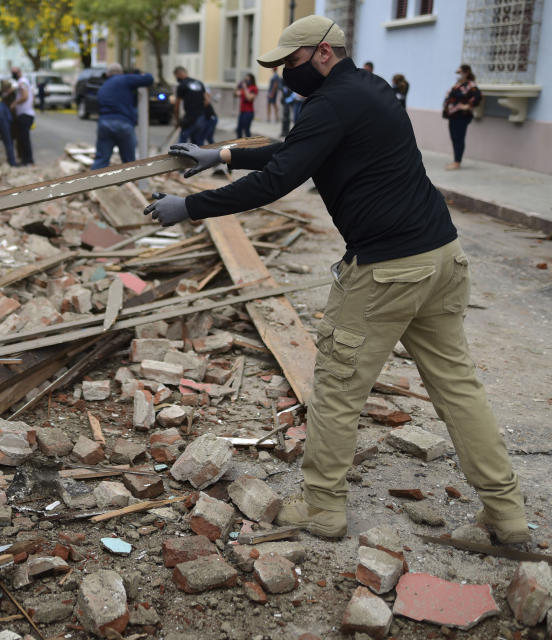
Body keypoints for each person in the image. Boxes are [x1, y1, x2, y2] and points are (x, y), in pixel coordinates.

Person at [144, 15, 530, 545]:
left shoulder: (329, 103)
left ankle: (322, 509)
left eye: (292, 63)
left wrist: (188, 207)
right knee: (458, 390)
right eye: (279, 66)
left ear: (324, 52)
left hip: (387, 272)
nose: (285, 74)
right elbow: (298, 148)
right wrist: (224, 155)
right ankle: (507, 518)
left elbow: (280, 179)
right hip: (441, 258)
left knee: (335, 392)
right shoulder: (368, 88)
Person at [90, 64, 154, 170]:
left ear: (108, 74)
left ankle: (90, 184)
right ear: (121, 72)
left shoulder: (104, 86)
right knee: (129, 162)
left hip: (104, 124)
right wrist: (141, 74)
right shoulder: (125, 79)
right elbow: (149, 79)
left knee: (101, 159)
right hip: (123, 123)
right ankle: (131, 182)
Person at [443, 64, 481, 170]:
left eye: (460, 72)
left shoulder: (470, 85)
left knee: (459, 138)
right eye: (457, 72)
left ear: (466, 73)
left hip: (462, 116)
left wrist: (467, 106)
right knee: (454, 138)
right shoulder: (458, 84)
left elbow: (477, 96)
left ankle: (457, 162)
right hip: (453, 115)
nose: (458, 74)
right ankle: (456, 160)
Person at [173, 66, 208, 145]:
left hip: (189, 118)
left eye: (176, 76)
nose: (176, 78)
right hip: (201, 117)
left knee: (182, 144)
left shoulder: (182, 85)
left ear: (178, 74)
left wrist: (177, 120)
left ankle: (180, 157)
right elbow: (206, 101)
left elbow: (177, 105)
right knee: (198, 144)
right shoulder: (199, 83)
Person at [10, 66, 35, 165]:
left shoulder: (22, 82)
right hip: (26, 114)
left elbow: (25, 96)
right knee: (23, 139)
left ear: (18, 72)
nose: (12, 74)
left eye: (13, 72)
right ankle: (27, 160)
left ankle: (27, 161)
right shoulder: (23, 82)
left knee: (24, 139)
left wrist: (14, 103)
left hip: (25, 115)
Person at [236, 73, 258, 138]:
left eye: (247, 79)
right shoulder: (244, 88)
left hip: (249, 112)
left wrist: (245, 88)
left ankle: (249, 146)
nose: (246, 80)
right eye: (245, 79)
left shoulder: (254, 88)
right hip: (242, 112)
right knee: (238, 130)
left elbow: (249, 98)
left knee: (246, 130)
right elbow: (235, 94)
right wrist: (237, 86)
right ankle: (239, 146)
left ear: (251, 80)